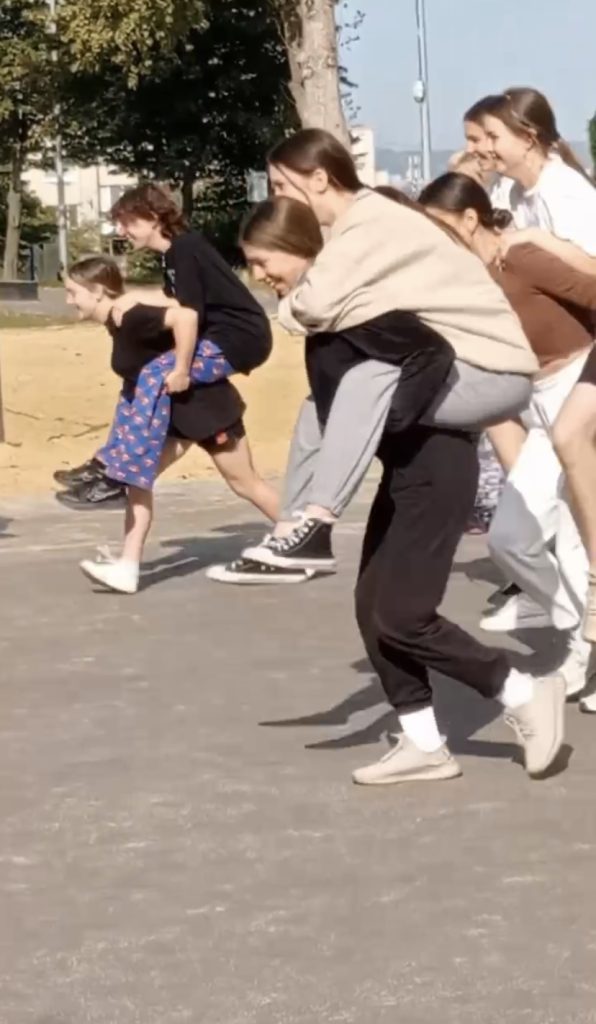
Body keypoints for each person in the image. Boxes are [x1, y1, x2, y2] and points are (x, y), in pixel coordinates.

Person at [420, 171, 596, 697]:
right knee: (511, 540)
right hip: (537, 408)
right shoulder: (463, 284)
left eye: (440, 228)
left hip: (579, 390)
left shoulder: (520, 257)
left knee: (577, 544)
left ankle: (584, 654)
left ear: (470, 219)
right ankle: (581, 636)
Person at [66, 255, 278, 594]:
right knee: (137, 481)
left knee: (245, 483)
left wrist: (181, 368)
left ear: (97, 291)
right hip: (171, 418)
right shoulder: (118, 319)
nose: (69, 300)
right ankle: (127, 567)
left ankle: (299, 538)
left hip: (206, 412)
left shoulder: (131, 317)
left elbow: (185, 315)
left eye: (73, 292)